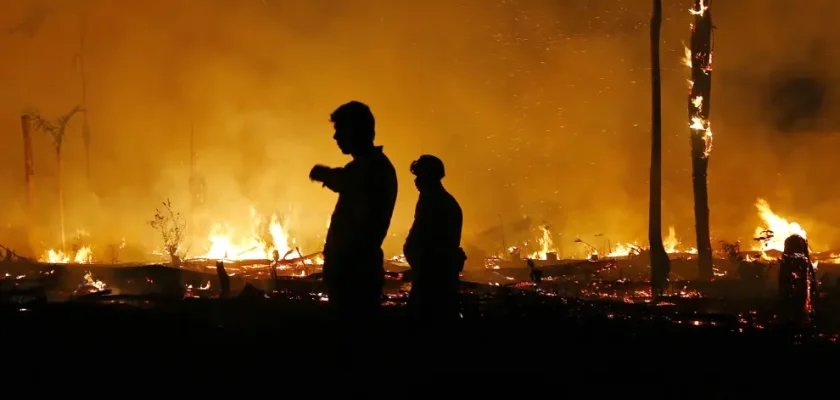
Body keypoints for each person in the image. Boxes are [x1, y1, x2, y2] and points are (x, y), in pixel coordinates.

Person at [309, 101, 398, 321]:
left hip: (355, 273)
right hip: (353, 271)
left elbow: (347, 181)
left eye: (340, 130)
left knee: (352, 337)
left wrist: (325, 174)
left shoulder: (372, 168)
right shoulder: (369, 166)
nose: (336, 137)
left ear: (356, 131)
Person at [403, 155, 466, 321]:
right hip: (431, 275)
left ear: (429, 177)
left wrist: (419, 263)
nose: (416, 181)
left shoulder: (437, 203)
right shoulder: (433, 200)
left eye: (419, 176)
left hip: (434, 280)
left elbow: (431, 244)